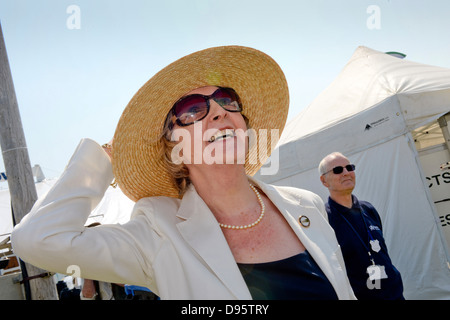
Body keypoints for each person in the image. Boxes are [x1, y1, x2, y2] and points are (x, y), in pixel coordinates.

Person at [11, 46, 355, 300]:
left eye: (227, 99)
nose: (219, 112)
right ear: (173, 148)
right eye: (193, 110)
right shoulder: (157, 235)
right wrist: (103, 159)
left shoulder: (306, 206)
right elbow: (36, 240)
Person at [319, 152, 404, 300]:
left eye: (349, 167)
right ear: (324, 181)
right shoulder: (324, 219)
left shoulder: (368, 209)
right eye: (338, 170)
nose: (346, 173)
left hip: (394, 294)